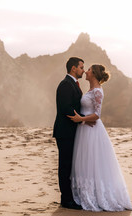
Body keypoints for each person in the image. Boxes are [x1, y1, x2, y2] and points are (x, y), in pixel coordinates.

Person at [68, 64, 132, 212]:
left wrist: (81, 119)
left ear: (95, 74)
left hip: (92, 131)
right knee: (84, 161)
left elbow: (97, 115)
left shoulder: (97, 91)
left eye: (89, 70)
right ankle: (84, 194)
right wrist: (83, 120)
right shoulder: (90, 90)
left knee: (93, 162)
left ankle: (96, 196)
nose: (86, 71)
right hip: (84, 129)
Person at [52, 57, 84, 210]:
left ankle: (70, 196)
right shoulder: (65, 84)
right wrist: (82, 119)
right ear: (73, 68)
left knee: (70, 165)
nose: (83, 70)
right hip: (65, 132)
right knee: (65, 166)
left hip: (71, 131)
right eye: (81, 67)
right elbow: (66, 108)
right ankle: (66, 199)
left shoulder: (73, 84)